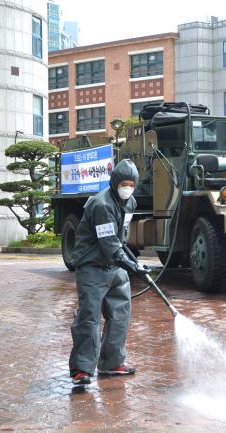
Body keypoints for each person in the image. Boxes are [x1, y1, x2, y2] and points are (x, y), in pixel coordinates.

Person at [69, 159, 149, 386]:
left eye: (132, 184)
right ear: (114, 182)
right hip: (92, 268)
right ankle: (82, 370)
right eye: (124, 183)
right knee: (90, 318)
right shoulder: (101, 204)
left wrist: (134, 262)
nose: (128, 188)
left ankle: (112, 363)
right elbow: (108, 244)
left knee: (120, 316)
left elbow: (120, 237)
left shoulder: (130, 202)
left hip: (115, 268)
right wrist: (130, 265)